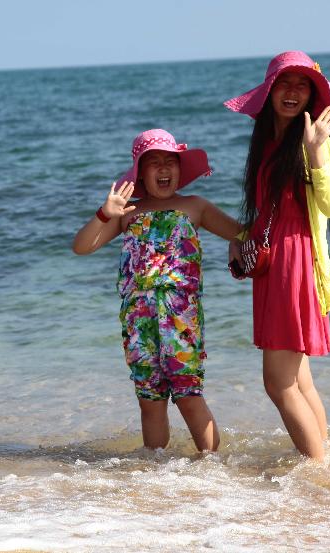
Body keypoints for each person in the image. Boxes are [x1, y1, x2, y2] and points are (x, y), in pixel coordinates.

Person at [72, 129, 241, 452]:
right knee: (149, 401)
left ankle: (212, 468)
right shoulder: (128, 213)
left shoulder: (195, 206)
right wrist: (105, 213)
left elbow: (243, 232)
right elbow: (82, 247)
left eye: (170, 161)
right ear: (139, 174)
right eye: (154, 163)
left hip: (181, 319)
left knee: (189, 395)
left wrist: (235, 242)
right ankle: (155, 474)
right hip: (138, 319)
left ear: (180, 169)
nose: (164, 169)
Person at [224, 51, 330, 461]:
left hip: (295, 262)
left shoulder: (313, 140)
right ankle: (322, 461)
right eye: (284, 84)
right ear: (270, 91)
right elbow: (267, 211)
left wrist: (315, 152)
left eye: (302, 86)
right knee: (299, 381)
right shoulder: (267, 143)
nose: (292, 93)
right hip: (273, 262)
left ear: (312, 95)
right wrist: (242, 237)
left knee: (278, 384)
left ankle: (317, 470)